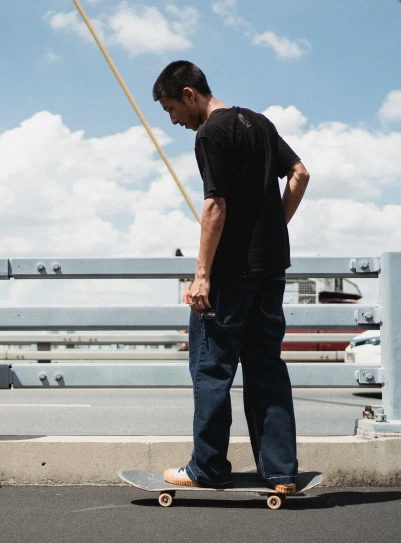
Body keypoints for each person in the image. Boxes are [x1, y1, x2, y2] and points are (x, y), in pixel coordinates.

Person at [151, 61, 310, 493]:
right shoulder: (259, 123)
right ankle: (280, 473)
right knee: (267, 370)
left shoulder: (210, 133)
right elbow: (300, 174)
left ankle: (208, 469)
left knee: (211, 370)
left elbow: (214, 206)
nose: (173, 120)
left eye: (170, 109)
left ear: (189, 94)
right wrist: (273, 229)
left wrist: (202, 276)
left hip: (230, 277)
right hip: (270, 271)